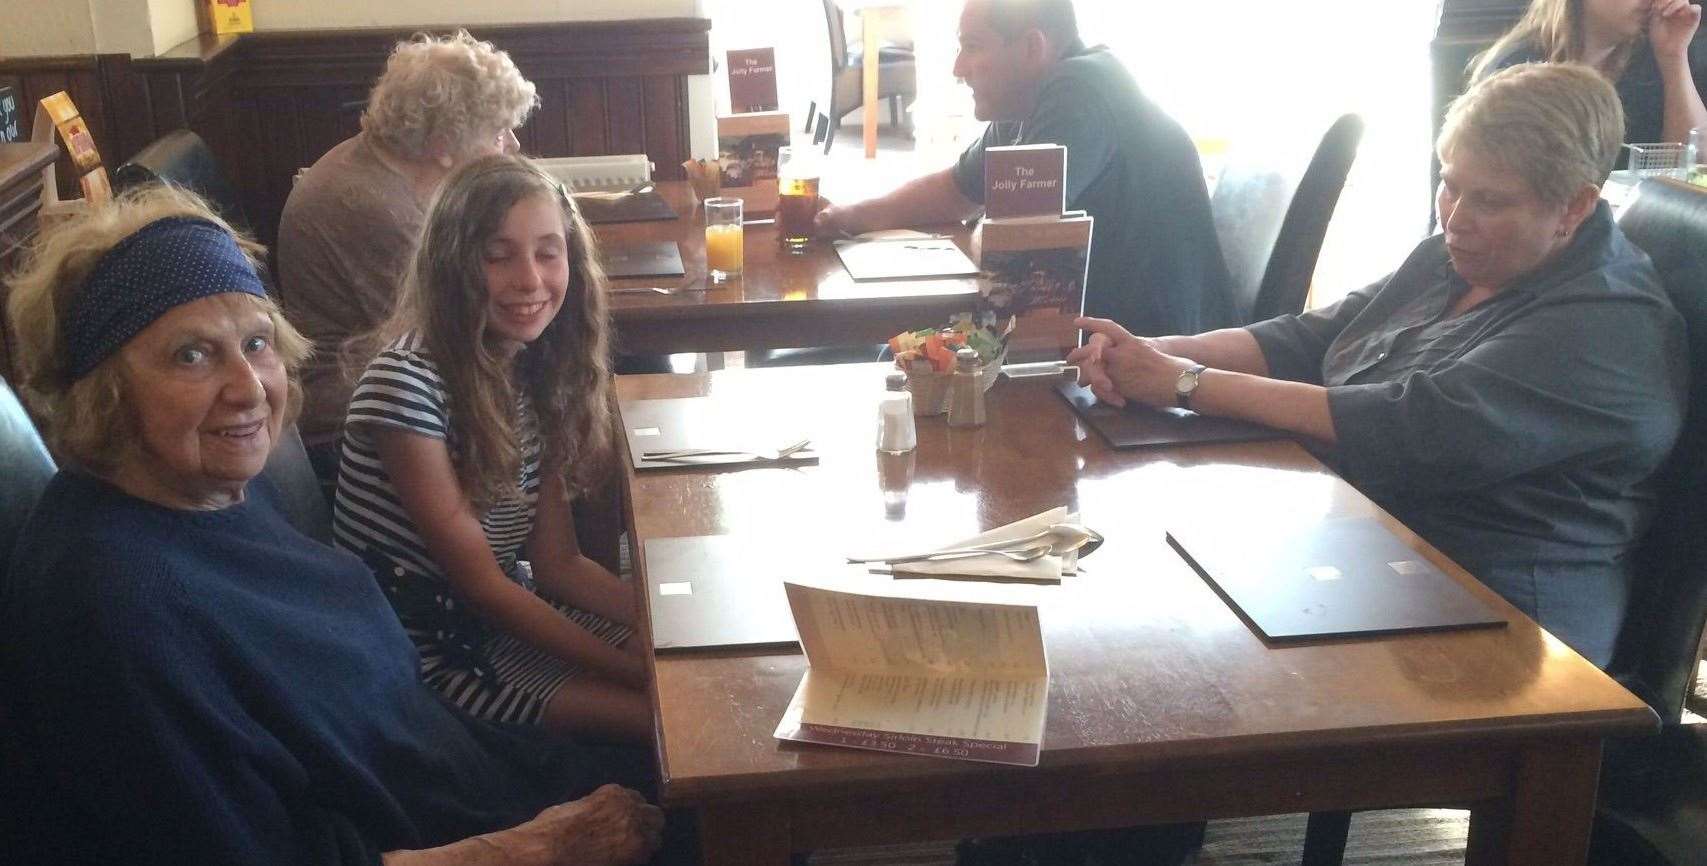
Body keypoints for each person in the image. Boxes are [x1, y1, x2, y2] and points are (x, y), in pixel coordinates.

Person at [0, 184, 666, 865]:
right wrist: (541, 847)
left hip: (476, 771)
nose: (249, 386)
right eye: (190, 356)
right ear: (102, 390)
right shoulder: (114, 607)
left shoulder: (219, 492)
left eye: (257, 343)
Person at [1068, 62, 1688, 668]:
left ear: (1575, 207)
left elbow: (1409, 427)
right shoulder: (1459, 257)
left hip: (1505, 627)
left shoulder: (1603, 327)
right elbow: (1308, 338)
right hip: (1377, 551)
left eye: (1491, 201)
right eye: (1450, 183)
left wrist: (1182, 381)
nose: (1454, 217)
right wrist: (1144, 349)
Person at [335, 154, 650, 744]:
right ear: (452, 266)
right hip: (434, 651)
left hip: (508, 611)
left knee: (696, 670)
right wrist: (638, 671)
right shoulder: (405, 383)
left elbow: (559, 564)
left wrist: (671, 629)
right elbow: (479, 585)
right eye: (497, 256)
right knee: (669, 719)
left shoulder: (536, 369)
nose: (529, 279)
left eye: (548, 252)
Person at [815, 0, 1235, 338]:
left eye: (973, 46)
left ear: (1032, 47)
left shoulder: (1080, 92)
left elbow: (1021, 237)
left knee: (914, 365)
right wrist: (849, 216)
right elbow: (955, 189)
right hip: (1102, 331)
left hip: (1155, 350)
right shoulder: (1026, 100)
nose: (958, 69)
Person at [278, 29, 536, 479]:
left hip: (398, 395)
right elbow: (454, 334)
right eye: (498, 133)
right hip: (354, 428)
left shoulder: (386, 168)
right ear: (442, 143)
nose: (512, 145)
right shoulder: (374, 209)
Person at [1472, 0, 1706, 155]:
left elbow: (1696, 168)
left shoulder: (1658, 54)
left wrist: (1674, 57)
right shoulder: (1520, 66)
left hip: (1643, 224)